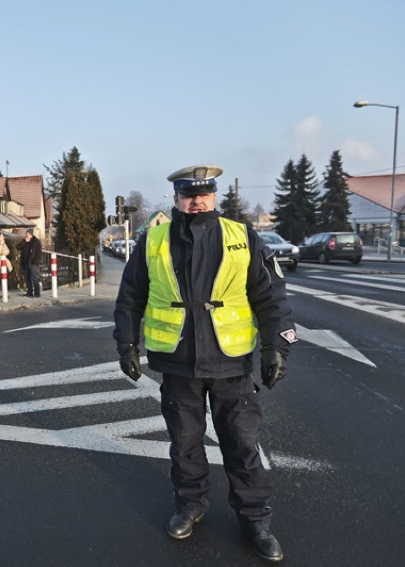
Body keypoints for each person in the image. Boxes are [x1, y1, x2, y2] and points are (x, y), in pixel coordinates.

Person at [113, 164, 296, 562]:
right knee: (185, 443)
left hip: (231, 364)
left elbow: (271, 295)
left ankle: (256, 521)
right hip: (179, 362)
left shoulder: (241, 236)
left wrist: (277, 346)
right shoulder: (153, 241)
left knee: (242, 443)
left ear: (213, 196)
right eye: (188, 195)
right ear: (176, 199)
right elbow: (130, 297)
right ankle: (190, 506)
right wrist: (125, 344)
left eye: (204, 194)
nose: (197, 201)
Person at [16, 228, 42, 297]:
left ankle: (37, 293)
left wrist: (34, 260)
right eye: (26, 234)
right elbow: (18, 247)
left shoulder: (36, 242)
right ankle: (29, 292)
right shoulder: (24, 241)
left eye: (28, 234)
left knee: (34, 278)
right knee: (27, 278)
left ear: (31, 234)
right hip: (25, 263)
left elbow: (37, 253)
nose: (26, 235)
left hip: (33, 263)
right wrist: (24, 242)